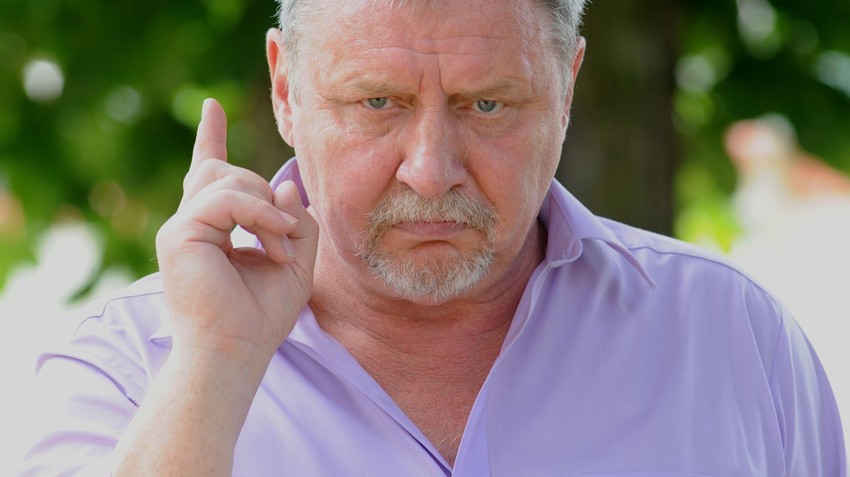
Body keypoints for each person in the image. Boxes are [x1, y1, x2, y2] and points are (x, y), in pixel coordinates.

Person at [18, 0, 846, 475]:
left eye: (487, 105)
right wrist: (217, 364)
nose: (430, 171)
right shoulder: (128, 368)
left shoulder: (734, 339)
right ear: (285, 90)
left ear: (566, 90)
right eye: (378, 102)